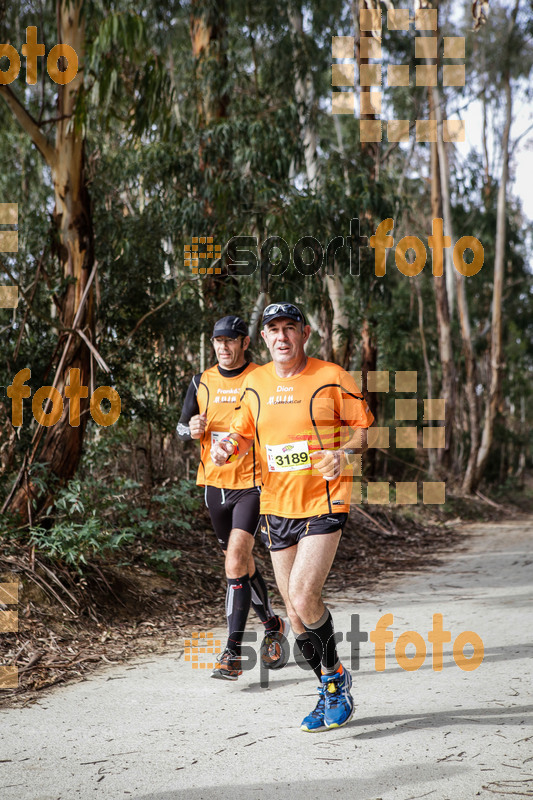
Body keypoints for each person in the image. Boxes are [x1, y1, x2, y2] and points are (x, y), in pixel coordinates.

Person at [211, 302, 374, 730]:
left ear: (305, 334)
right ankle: (330, 683)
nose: (282, 336)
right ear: (263, 338)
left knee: (303, 596)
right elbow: (242, 433)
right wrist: (225, 446)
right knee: (297, 614)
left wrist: (342, 453)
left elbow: (363, 429)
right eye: (274, 329)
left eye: (290, 328)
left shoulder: (332, 376)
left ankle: (336, 685)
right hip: (276, 506)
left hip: (324, 499)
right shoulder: (256, 382)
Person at [177, 315, 288, 681]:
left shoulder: (262, 377)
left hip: (253, 484)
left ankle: (232, 652)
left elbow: (280, 420)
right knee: (238, 563)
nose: (223, 347)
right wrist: (191, 428)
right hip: (214, 486)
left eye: (230, 340)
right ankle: (272, 622)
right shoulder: (200, 381)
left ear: (244, 343)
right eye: (217, 341)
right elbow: (182, 425)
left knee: (236, 558)